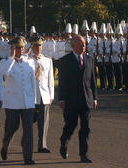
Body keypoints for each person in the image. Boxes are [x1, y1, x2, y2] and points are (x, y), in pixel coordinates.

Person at [58, 35, 97, 164]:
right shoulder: (65, 61)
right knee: (71, 125)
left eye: (84, 44)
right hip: (71, 100)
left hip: (86, 99)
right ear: (73, 46)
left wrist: (95, 98)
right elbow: (62, 82)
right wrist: (61, 98)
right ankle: (64, 141)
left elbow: (92, 81)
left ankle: (83, 154)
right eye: (80, 44)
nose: (83, 46)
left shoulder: (89, 59)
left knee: (86, 127)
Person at [0, 36, 36, 165]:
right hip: (13, 101)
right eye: (17, 48)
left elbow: (33, 82)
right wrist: (11, 57)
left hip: (27, 101)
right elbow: (4, 73)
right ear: (12, 48)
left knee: (28, 130)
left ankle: (28, 157)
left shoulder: (29, 62)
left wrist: (34, 100)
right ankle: (5, 145)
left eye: (21, 47)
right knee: (11, 128)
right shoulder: (6, 62)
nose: (20, 50)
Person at [30, 35, 54, 153]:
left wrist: (51, 96)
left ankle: (42, 145)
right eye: (36, 45)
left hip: (43, 95)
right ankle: (26, 142)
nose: (39, 47)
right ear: (32, 46)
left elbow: (50, 80)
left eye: (40, 45)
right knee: (28, 122)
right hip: (30, 96)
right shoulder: (27, 60)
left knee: (43, 123)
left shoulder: (47, 60)